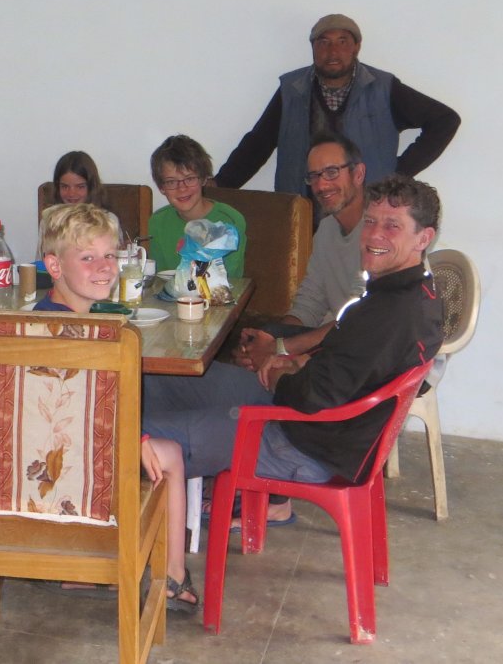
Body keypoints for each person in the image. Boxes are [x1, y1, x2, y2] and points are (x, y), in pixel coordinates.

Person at [141, 174, 444, 598]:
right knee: (157, 378)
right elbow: (343, 360)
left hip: (301, 441)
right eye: (371, 221)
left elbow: (313, 397)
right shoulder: (405, 293)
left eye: (392, 226)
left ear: (423, 237)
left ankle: (129, 566)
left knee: (133, 437)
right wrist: (290, 360)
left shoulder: (393, 314)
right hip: (312, 421)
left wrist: (278, 368)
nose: (375, 234)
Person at [34, 203, 194, 611]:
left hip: (48, 452)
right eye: (87, 258)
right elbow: (78, 412)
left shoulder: (47, 315)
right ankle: (172, 577)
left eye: (109, 255)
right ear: (54, 265)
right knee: (170, 455)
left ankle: (86, 567)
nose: (105, 267)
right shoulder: (73, 332)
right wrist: (136, 438)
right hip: (64, 462)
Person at [214, 13, 461, 196]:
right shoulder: (292, 90)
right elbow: (258, 143)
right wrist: (221, 185)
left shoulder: (383, 88)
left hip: (363, 213)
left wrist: (397, 176)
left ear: (356, 47)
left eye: (342, 41)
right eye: (323, 42)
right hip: (302, 214)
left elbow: (445, 120)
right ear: (313, 48)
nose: (333, 51)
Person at [235, 132, 368, 370]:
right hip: (334, 336)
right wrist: (270, 339)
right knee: (252, 344)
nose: (321, 185)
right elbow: (310, 301)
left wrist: (281, 347)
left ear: (358, 174)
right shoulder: (326, 229)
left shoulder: (380, 233)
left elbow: (361, 318)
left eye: (331, 172)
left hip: (361, 348)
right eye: (314, 176)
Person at [148, 134, 247, 276]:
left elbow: (231, 278)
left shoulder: (230, 220)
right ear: (161, 187)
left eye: (190, 179)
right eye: (171, 182)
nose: (182, 188)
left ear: (204, 179)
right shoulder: (157, 222)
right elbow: (159, 277)